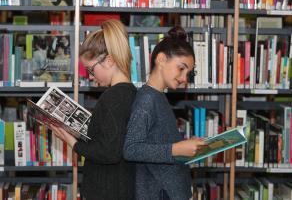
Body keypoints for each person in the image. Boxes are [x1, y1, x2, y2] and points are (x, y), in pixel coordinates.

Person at [50, 19, 136, 200]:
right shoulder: (131, 92)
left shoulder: (112, 98)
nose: (91, 77)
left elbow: (109, 152)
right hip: (122, 185)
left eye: (91, 70)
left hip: (106, 189)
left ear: (109, 60)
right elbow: (113, 138)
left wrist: (71, 141)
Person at [123, 26, 206, 200]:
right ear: (161, 59)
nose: (184, 78)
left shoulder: (158, 96)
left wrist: (185, 145)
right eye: (181, 68)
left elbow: (158, 141)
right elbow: (131, 149)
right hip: (159, 192)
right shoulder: (147, 100)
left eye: (188, 73)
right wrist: (177, 149)